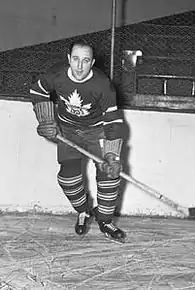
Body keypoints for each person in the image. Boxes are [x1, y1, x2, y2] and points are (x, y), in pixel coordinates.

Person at [30, 39, 126, 242]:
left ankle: (105, 220)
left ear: (92, 63)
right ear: (68, 59)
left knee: (109, 175)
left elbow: (113, 121)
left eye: (85, 60)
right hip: (67, 131)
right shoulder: (56, 74)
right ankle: (83, 211)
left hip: (96, 131)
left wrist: (111, 155)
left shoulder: (103, 85)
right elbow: (38, 91)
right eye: (75, 59)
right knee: (68, 178)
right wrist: (46, 120)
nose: (79, 66)